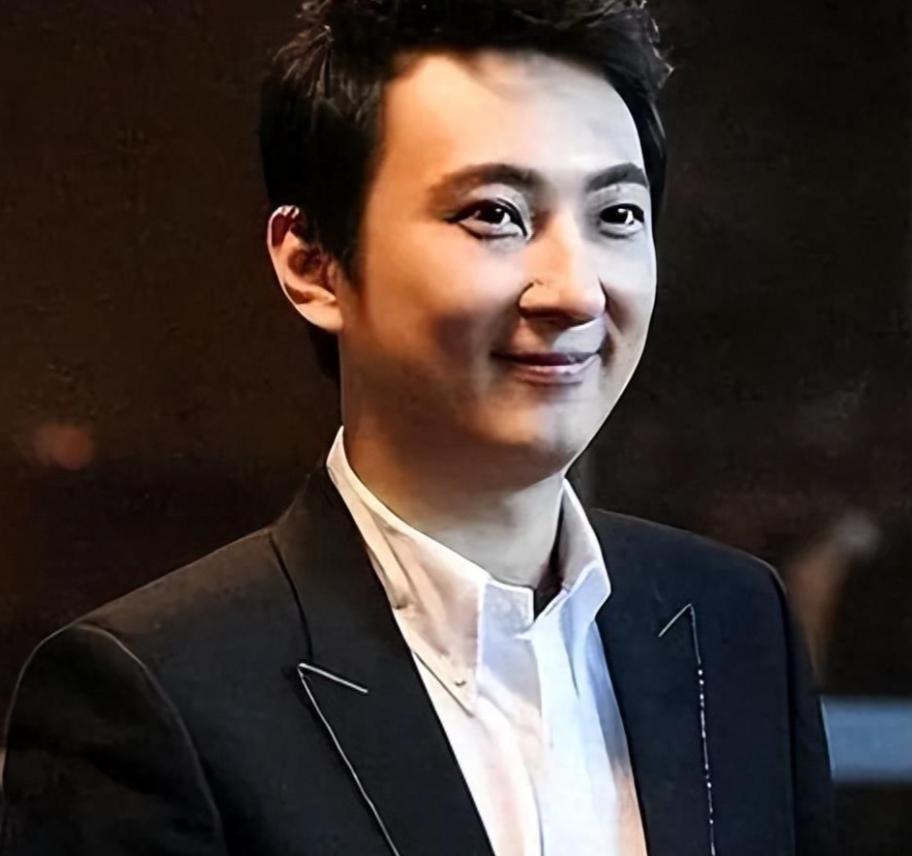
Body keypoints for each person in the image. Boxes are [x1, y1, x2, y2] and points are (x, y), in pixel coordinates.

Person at [0, 1, 835, 853]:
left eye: (615, 215)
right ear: (313, 263)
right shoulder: (155, 693)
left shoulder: (733, 624)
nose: (577, 292)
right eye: (495, 214)